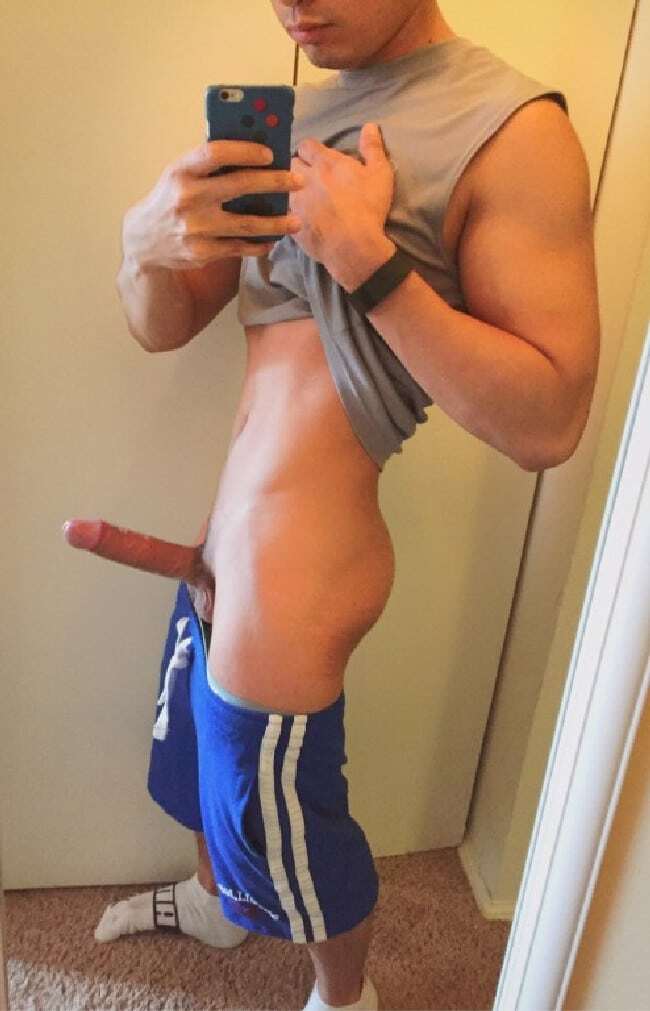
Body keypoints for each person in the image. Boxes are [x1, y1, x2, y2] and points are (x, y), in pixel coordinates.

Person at [65, 1, 600, 1008]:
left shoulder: (511, 126)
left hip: (302, 569)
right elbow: (165, 327)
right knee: (204, 767)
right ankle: (218, 906)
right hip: (221, 542)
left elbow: (548, 421)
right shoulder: (292, 117)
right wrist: (142, 246)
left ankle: (344, 995)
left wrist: (369, 261)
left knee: (290, 832)